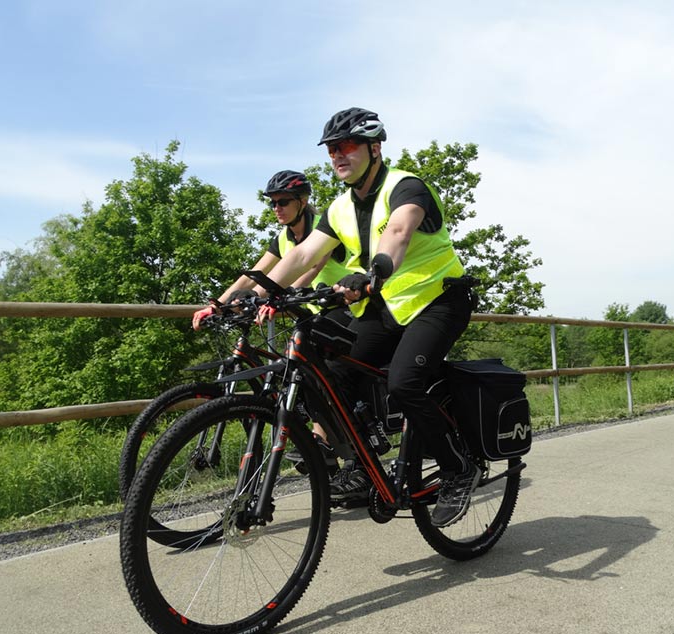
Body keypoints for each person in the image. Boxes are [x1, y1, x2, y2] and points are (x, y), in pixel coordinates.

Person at [255, 108, 478, 527]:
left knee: (405, 382)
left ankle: (458, 469)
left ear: (374, 148)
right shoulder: (339, 208)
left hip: (438, 300)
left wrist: (372, 273)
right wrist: (257, 292)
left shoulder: (406, 186)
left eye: (347, 146)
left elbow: (398, 234)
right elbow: (302, 254)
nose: (338, 155)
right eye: (333, 149)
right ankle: (363, 463)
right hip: (388, 307)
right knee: (333, 372)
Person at [192, 169, 350, 467]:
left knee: (323, 373)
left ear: (302, 201)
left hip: (341, 306)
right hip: (307, 314)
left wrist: (275, 296)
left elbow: (312, 267)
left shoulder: (322, 227)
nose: (277, 207)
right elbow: (253, 275)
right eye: (272, 203)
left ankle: (323, 441)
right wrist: (218, 304)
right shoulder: (284, 237)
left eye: (283, 201)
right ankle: (321, 451)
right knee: (290, 371)